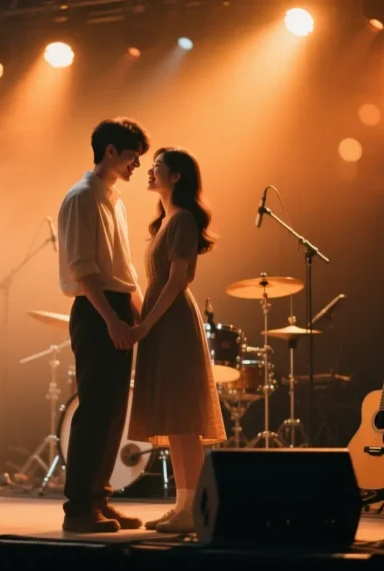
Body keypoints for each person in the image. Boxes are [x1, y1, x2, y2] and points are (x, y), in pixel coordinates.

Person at [56, 117, 150, 533]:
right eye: (133, 156)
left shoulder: (115, 200)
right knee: (94, 410)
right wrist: (112, 319)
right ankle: (79, 509)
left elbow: (123, 269)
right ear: (110, 151)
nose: (137, 165)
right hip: (97, 311)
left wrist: (140, 313)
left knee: (114, 412)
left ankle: (99, 499)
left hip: (115, 306)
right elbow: (84, 270)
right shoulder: (82, 197)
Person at [128, 147, 226, 533]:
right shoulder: (166, 221)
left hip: (172, 321)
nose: (149, 171)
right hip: (161, 319)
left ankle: (194, 508)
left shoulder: (183, 218)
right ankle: (182, 505)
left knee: (184, 419)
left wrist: (146, 324)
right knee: (173, 419)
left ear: (176, 176)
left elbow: (176, 281)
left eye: (156, 166)